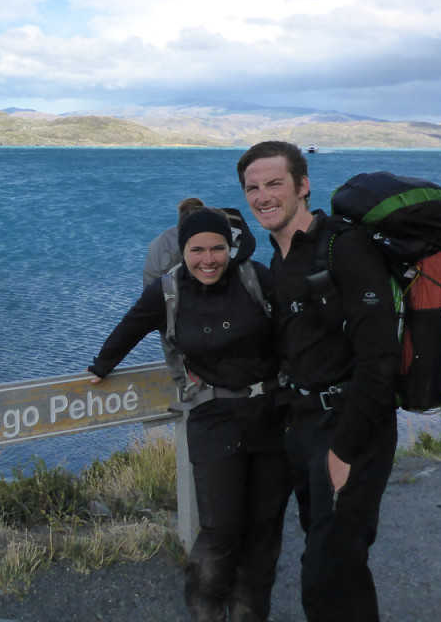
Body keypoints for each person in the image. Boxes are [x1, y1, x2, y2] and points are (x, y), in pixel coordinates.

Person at [89, 204, 290, 622]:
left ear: (230, 248)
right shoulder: (168, 291)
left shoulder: (256, 279)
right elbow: (130, 327)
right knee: (221, 529)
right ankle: (206, 611)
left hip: (271, 413)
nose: (208, 259)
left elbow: (295, 328)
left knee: (264, 529)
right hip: (213, 416)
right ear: (183, 251)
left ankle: (250, 614)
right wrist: (101, 366)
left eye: (217, 248)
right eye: (197, 250)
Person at [236, 141, 400, 622]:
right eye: (253, 188)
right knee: (332, 561)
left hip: (352, 428)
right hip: (303, 424)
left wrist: (344, 450)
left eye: (274, 184)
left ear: (303, 186)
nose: (263, 196)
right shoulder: (280, 256)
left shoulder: (344, 248)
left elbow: (379, 359)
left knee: (328, 574)